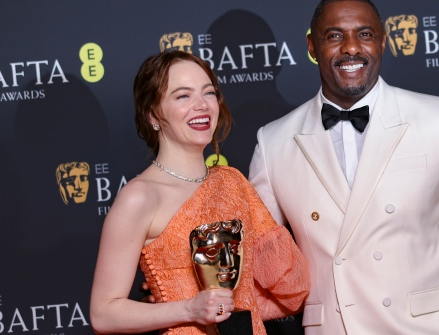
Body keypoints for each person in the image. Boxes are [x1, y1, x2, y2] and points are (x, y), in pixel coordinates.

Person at [248, 0, 439, 335]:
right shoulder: (274, 142)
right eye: (335, 36)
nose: (352, 48)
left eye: (365, 34)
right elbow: (258, 258)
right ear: (312, 47)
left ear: (383, 43)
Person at [90, 50, 310, 335]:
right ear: (153, 114)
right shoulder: (140, 197)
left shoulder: (233, 183)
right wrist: (188, 308)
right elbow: (103, 313)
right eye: (183, 96)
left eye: (209, 93)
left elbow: (292, 289)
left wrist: (243, 306)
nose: (202, 105)